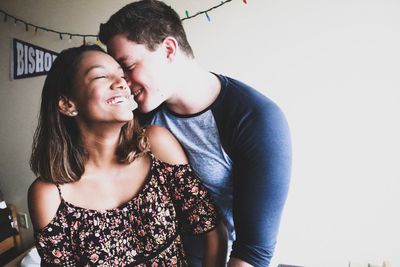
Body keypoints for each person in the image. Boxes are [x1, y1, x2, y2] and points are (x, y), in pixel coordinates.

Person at [98, 1, 292, 266]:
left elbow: (254, 251)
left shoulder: (255, 118)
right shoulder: (142, 120)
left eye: (129, 67)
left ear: (168, 49)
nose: (124, 84)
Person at [28, 44, 227, 266]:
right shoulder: (49, 195)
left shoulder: (156, 146)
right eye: (101, 76)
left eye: (121, 75)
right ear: (67, 104)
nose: (122, 83)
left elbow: (212, 232)